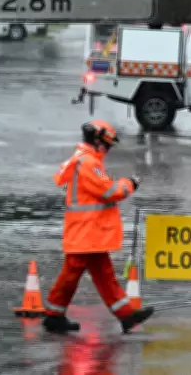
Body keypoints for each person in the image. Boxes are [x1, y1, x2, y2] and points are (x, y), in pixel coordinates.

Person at [43, 120, 155, 335]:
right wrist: (129, 183)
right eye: (107, 144)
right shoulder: (88, 163)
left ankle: (127, 316)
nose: (109, 149)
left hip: (89, 232)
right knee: (71, 274)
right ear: (97, 141)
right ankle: (53, 316)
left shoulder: (85, 160)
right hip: (86, 231)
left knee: (104, 274)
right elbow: (109, 191)